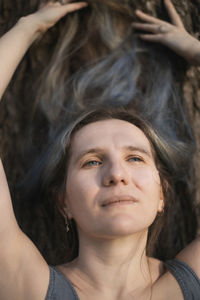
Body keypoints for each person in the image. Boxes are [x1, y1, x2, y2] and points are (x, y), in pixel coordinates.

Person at [0, 0, 200, 299]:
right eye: (92, 162)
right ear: (63, 200)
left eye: (135, 158)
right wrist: (29, 27)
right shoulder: (27, 286)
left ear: (162, 194)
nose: (117, 174)